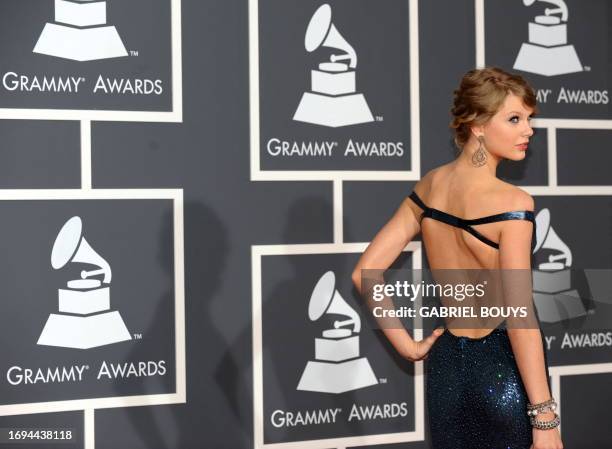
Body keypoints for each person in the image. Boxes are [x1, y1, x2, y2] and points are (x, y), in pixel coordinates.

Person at [352, 67, 563, 449]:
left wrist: (408, 347)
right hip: (503, 368)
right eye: (514, 119)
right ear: (478, 126)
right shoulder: (513, 203)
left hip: (447, 368)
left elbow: (364, 273)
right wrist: (544, 417)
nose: (528, 130)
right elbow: (519, 315)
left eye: (529, 119)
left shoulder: (431, 186)